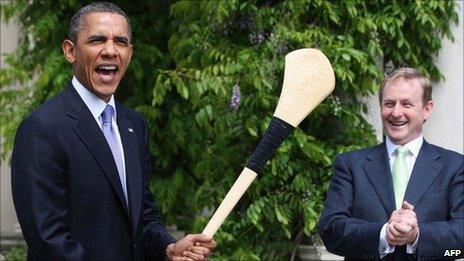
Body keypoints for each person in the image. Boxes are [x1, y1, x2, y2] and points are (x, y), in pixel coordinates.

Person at [11, 2, 215, 260]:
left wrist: (168, 247)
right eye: (97, 40)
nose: (110, 50)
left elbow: (143, 215)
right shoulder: (42, 128)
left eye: (120, 42)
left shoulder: (134, 125)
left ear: (130, 52)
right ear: (70, 51)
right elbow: (48, 239)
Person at [317, 68, 463, 260]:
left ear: (427, 109)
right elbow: (330, 229)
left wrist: (417, 236)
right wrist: (384, 233)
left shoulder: (455, 166)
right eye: (389, 104)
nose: (396, 112)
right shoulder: (350, 165)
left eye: (406, 104)